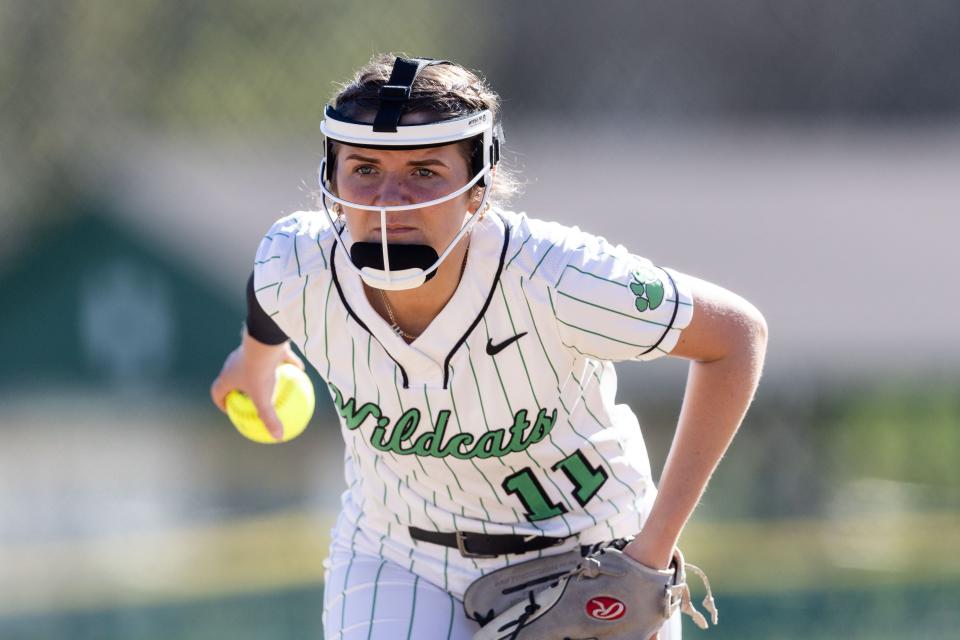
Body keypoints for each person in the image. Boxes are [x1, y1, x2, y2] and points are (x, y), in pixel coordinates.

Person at [210, 54, 768, 640]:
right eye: (364, 169)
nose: (388, 200)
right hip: (400, 554)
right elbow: (270, 282)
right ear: (332, 179)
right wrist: (256, 359)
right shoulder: (298, 261)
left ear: (477, 190)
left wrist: (649, 558)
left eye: (424, 172)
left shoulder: (557, 276)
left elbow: (735, 336)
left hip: (590, 554)